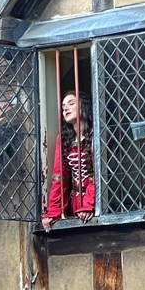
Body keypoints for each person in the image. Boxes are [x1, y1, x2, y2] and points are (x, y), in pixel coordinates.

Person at [42, 91, 95, 232]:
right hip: (75, 203)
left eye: (71, 103)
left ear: (84, 106)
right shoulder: (64, 139)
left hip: (96, 201)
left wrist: (89, 204)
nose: (65, 108)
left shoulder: (97, 135)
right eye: (63, 105)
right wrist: (53, 211)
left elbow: (101, 174)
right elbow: (59, 177)